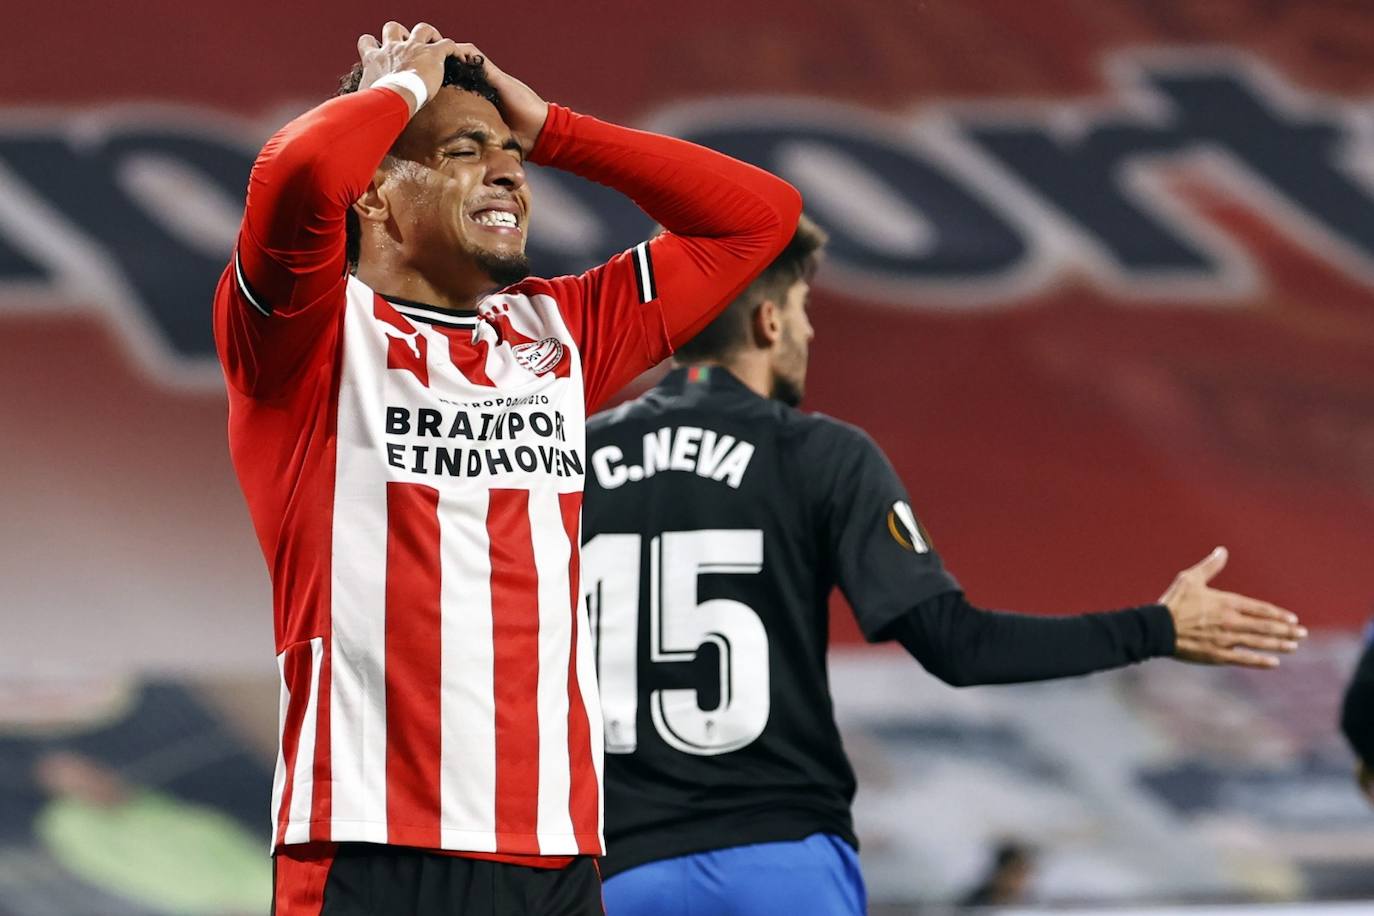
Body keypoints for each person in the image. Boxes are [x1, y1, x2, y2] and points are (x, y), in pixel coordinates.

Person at [212, 21, 800, 916]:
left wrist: (552, 126)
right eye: (462, 149)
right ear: (374, 195)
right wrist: (397, 90)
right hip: (370, 842)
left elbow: (759, 217)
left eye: (510, 155)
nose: (509, 172)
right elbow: (295, 175)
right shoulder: (306, 337)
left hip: (553, 851)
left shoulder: (556, 334)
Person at [579, 215, 1307, 915]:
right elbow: (958, 647)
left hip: (611, 872)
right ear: (769, 320)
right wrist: (1154, 628)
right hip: (780, 861)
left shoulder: (568, 460)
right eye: (802, 305)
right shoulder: (821, 455)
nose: (808, 329)